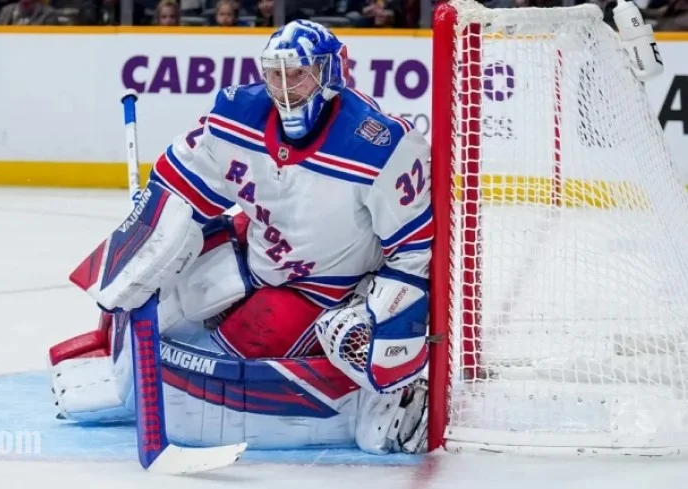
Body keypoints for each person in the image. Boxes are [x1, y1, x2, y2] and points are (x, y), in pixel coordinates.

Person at [49, 20, 432, 455]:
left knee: (232, 354)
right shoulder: (237, 114)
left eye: (299, 74)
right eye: (276, 75)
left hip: (323, 286)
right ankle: (119, 365)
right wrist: (149, 241)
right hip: (257, 249)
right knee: (172, 293)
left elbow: (414, 252)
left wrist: (387, 323)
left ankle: (377, 400)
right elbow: (179, 184)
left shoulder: (381, 147)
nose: (286, 88)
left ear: (329, 74)